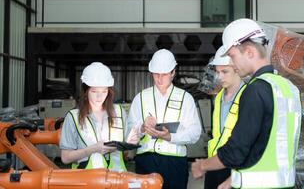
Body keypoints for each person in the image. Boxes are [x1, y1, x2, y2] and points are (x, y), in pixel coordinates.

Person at [192, 18, 302, 189]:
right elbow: (264, 144)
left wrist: (201, 166)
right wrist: (232, 179)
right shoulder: (288, 88)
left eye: (232, 56)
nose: (233, 64)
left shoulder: (255, 90)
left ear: (249, 52)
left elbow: (235, 153)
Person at [127, 49, 201, 189]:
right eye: (156, 74)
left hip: (175, 164)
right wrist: (142, 127)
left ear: (173, 72)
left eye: (164, 74)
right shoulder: (141, 98)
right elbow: (129, 134)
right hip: (146, 162)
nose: (159, 79)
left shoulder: (185, 98)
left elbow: (195, 133)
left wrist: (170, 137)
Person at [60, 62, 138, 171]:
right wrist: (93, 149)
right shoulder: (73, 117)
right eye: (94, 91)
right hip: (86, 182)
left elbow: (126, 150)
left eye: (104, 91)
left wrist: (131, 141)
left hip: (117, 181)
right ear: (85, 91)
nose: (99, 96)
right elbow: (65, 157)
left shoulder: (120, 113)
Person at [205, 49, 245, 189]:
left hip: (236, 166)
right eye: (217, 72)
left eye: (225, 72)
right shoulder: (218, 97)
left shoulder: (248, 95)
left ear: (237, 69)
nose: (219, 77)